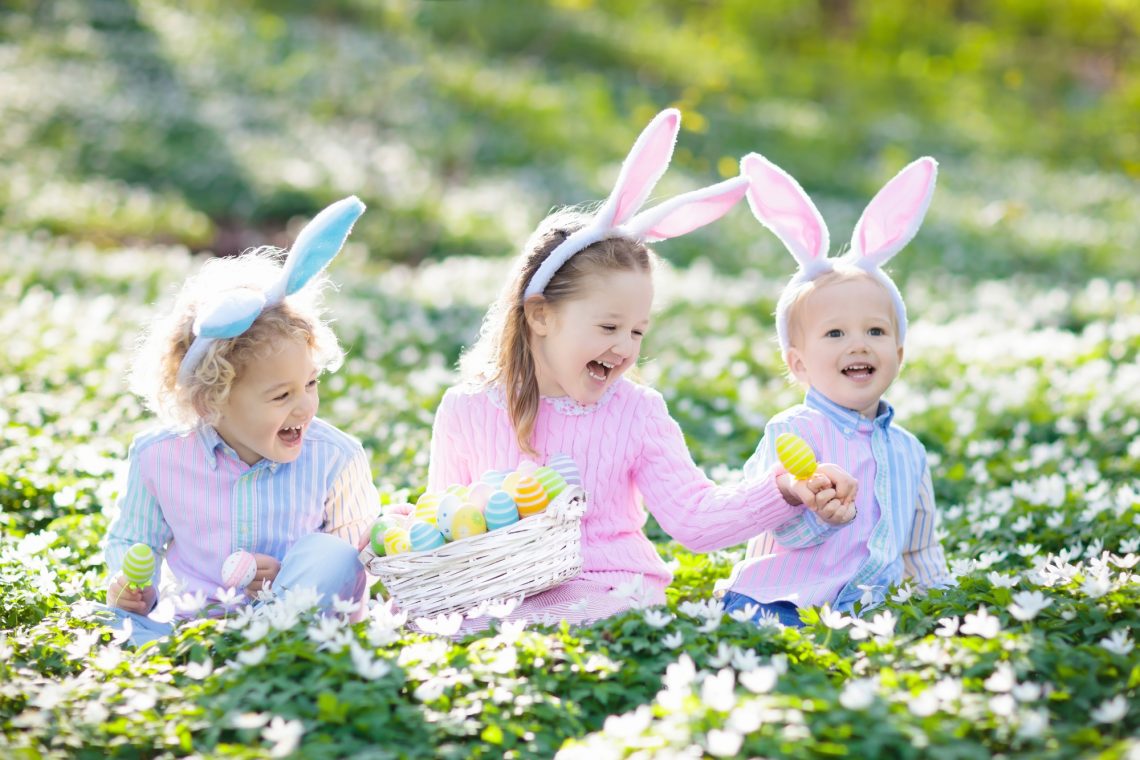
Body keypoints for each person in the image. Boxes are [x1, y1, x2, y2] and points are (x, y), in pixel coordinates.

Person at [427, 109, 858, 629]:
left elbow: (694, 517)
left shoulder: (636, 412)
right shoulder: (467, 408)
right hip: (500, 595)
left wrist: (786, 488)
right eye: (608, 328)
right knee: (457, 625)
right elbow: (447, 524)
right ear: (541, 314)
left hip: (610, 588)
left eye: (637, 331)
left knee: (570, 623)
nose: (624, 348)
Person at [96, 197, 379, 646]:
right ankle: (200, 645)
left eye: (310, 383)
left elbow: (357, 562)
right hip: (191, 620)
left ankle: (270, 640)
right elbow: (135, 539)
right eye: (281, 395)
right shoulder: (159, 457)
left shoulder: (335, 458)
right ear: (212, 400)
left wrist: (287, 579)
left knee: (332, 554)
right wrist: (130, 585)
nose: (304, 408)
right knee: (106, 622)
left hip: (298, 620)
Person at [719, 153, 955, 627]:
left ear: (899, 352)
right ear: (798, 363)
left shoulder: (909, 451)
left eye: (875, 332)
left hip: (867, 612)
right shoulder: (791, 432)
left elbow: (921, 545)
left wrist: (945, 605)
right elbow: (771, 523)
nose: (857, 345)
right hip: (777, 601)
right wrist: (816, 513)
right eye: (835, 334)